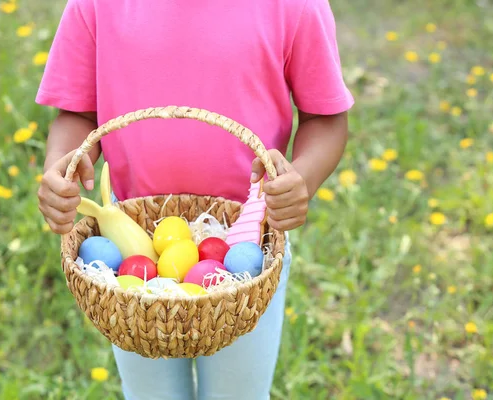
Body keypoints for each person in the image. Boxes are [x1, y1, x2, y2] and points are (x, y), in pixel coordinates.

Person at [36, 0, 353, 398]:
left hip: (246, 243)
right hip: (136, 248)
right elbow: (77, 113)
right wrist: (59, 167)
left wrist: (300, 177)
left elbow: (324, 117)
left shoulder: (293, 6)